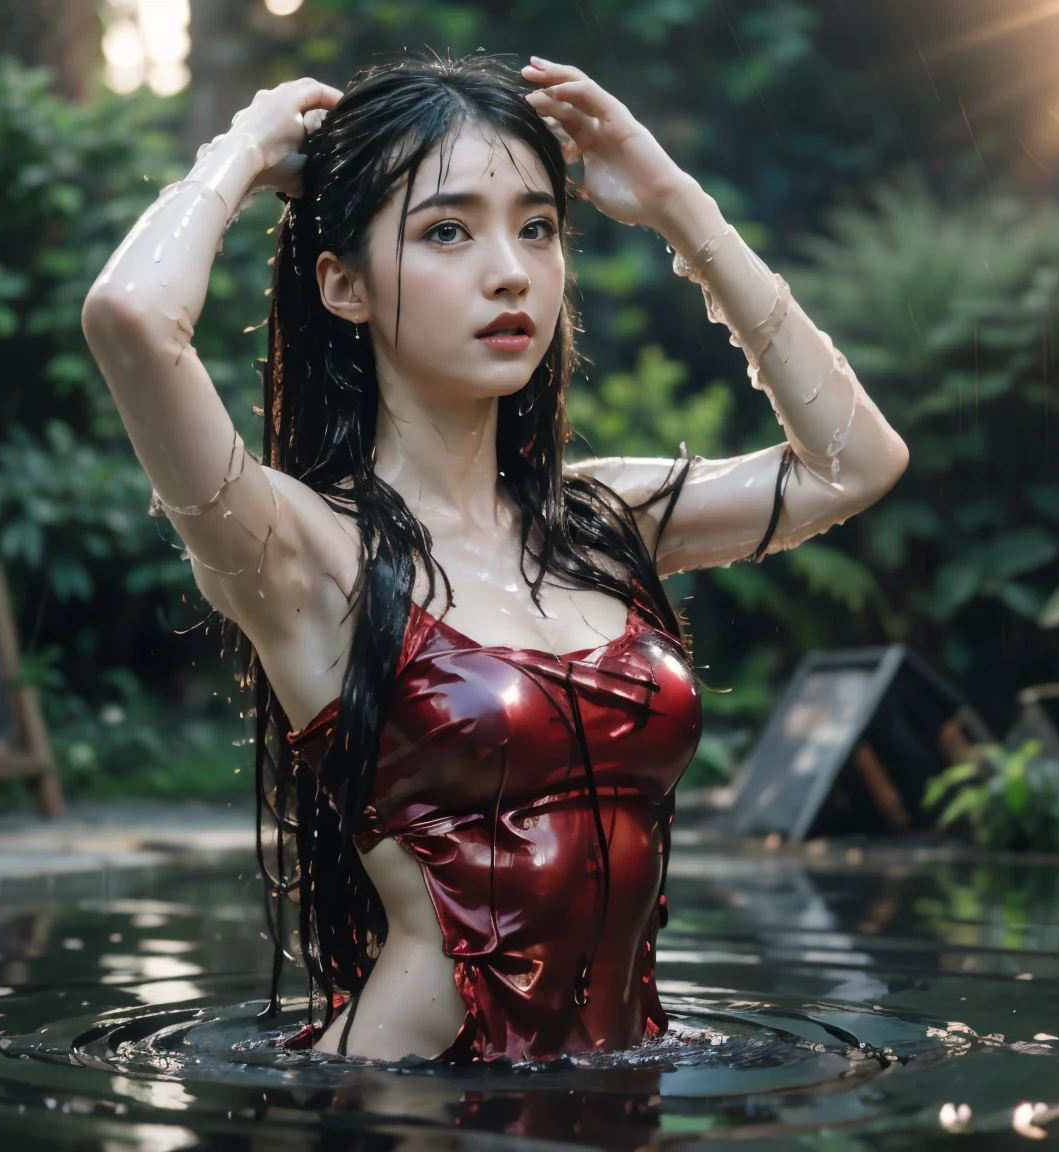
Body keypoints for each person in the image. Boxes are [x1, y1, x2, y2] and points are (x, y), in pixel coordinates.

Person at [80, 54, 907, 1063]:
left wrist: (675, 207)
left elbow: (852, 464)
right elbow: (129, 319)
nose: (510, 269)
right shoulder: (297, 550)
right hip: (409, 1098)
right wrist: (242, 151)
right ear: (341, 286)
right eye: (445, 230)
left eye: (537, 226)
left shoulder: (602, 521)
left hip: (615, 1088)